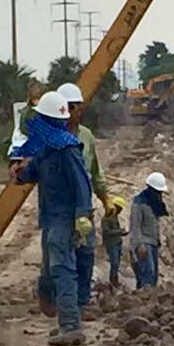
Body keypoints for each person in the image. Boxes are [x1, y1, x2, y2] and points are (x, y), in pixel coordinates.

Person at [13, 91, 94, 346]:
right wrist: (19, 174)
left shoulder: (68, 148)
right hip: (50, 219)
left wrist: (82, 215)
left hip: (63, 219)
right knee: (49, 272)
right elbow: (32, 172)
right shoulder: (47, 147)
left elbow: (82, 183)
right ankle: (63, 318)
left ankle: (70, 327)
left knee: (62, 270)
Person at [57, 83, 115, 314]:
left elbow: (95, 172)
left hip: (84, 208)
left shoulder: (86, 136)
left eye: (76, 107)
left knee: (85, 256)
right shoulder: (51, 138)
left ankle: (81, 302)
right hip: (59, 210)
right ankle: (63, 305)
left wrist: (105, 198)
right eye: (69, 107)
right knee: (61, 261)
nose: (73, 111)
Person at [130, 172, 169, 289]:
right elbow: (135, 225)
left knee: (154, 276)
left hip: (153, 243)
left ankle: (150, 301)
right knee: (148, 274)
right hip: (144, 244)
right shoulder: (139, 204)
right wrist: (139, 245)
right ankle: (143, 301)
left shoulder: (154, 205)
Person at [101, 195, 128, 287]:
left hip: (117, 243)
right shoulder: (107, 218)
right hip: (111, 244)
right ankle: (113, 282)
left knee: (117, 264)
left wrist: (121, 233)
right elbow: (106, 231)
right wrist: (119, 231)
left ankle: (114, 280)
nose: (121, 210)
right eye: (120, 208)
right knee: (114, 263)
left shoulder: (114, 217)